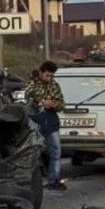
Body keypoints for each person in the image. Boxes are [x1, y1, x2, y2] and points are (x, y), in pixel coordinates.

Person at [24, 60, 66, 190]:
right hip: (34, 123)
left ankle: (54, 180)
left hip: (51, 123)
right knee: (32, 153)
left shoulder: (55, 86)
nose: (50, 78)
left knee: (56, 152)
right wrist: (43, 101)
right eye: (48, 75)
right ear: (41, 73)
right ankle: (30, 181)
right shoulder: (32, 84)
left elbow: (61, 104)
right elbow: (29, 95)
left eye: (52, 76)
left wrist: (54, 105)